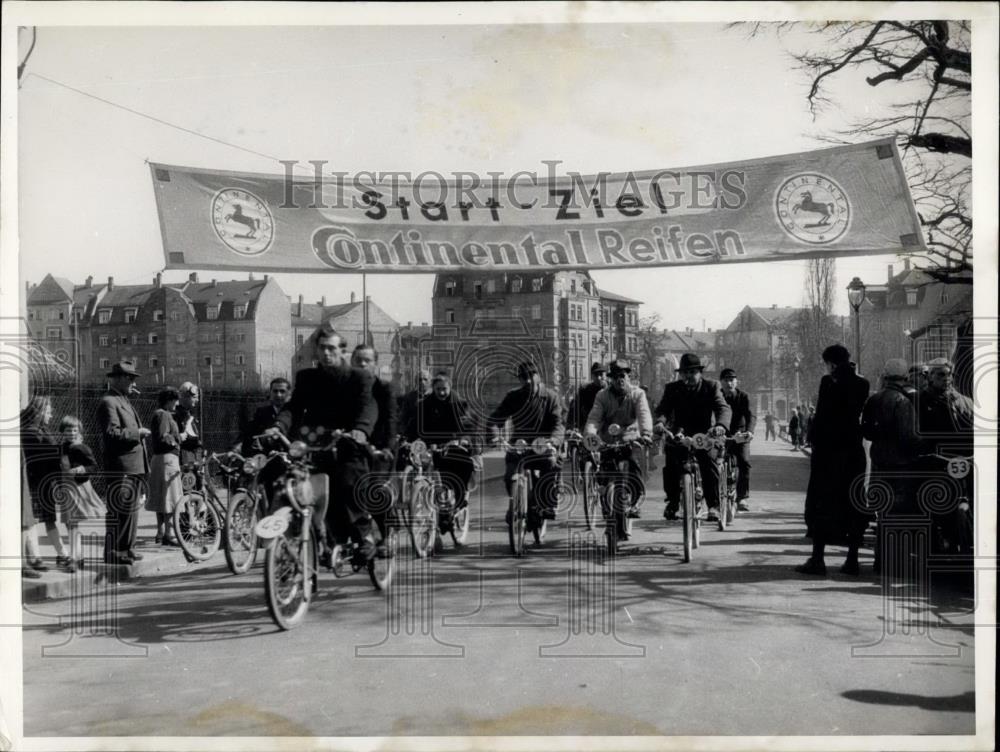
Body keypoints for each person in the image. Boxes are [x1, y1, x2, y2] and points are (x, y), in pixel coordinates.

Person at [270, 325, 378, 561]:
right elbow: (294, 407)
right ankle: (294, 551)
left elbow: (367, 407)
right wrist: (279, 426)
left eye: (331, 348)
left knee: (349, 482)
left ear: (342, 350)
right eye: (322, 348)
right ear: (316, 351)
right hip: (315, 445)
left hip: (348, 443)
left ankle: (365, 537)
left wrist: (360, 430)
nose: (326, 353)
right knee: (297, 488)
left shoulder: (358, 377)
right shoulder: (307, 377)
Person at [797, 344, 871, 577]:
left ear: (830, 362)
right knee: (854, 503)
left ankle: (818, 559)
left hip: (829, 454)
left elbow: (822, 415)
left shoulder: (828, 382)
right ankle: (852, 560)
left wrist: (813, 440)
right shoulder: (863, 383)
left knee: (821, 504)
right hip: (852, 452)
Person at [655, 353, 732, 522]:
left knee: (708, 462)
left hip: (705, 433)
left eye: (692, 372)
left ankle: (714, 506)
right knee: (671, 464)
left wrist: (720, 426)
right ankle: (673, 502)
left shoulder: (711, 386)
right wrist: (660, 422)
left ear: (700, 372)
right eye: (685, 373)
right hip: (680, 432)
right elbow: (663, 410)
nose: (688, 377)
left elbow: (722, 408)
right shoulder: (672, 388)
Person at [861, 359, 920, 573]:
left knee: (883, 513)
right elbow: (908, 436)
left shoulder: (873, 400)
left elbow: (866, 431)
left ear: (885, 377)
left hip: (879, 463)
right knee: (899, 515)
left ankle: (881, 560)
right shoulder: (903, 402)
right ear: (904, 378)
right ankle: (895, 563)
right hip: (900, 466)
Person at [488, 360, 564, 520]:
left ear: (538, 376)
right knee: (509, 475)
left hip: (542, 445)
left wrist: (553, 441)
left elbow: (558, 424)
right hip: (519, 445)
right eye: (523, 377)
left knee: (550, 462)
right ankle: (515, 503)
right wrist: (495, 436)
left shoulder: (551, 397)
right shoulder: (513, 396)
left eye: (531, 375)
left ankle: (545, 504)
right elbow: (496, 417)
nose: (528, 380)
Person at [915, 357, 975, 553]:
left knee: (966, 504)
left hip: (963, 465)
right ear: (929, 377)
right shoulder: (919, 402)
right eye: (940, 374)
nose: (946, 378)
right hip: (934, 464)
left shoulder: (965, 402)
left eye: (949, 375)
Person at [584, 360, 653, 520]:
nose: (619, 380)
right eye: (615, 377)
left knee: (634, 464)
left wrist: (647, 434)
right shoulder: (602, 395)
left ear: (629, 377)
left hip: (631, 437)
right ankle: (604, 496)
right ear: (610, 379)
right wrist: (590, 435)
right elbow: (594, 418)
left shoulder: (637, 394)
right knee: (604, 470)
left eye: (622, 376)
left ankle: (635, 500)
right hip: (608, 439)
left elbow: (644, 415)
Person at [98, 360, 151, 565]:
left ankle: (127, 548)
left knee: (130, 510)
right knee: (119, 509)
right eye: (129, 378)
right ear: (118, 379)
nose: (132, 382)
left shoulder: (123, 400)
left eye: (133, 378)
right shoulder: (108, 402)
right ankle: (113, 552)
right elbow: (112, 433)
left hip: (133, 465)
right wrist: (137, 433)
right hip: (121, 465)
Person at [352, 345, 398, 547]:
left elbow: (390, 419)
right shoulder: (347, 388)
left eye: (367, 360)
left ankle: (387, 532)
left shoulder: (383, 389)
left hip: (380, 449)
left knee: (375, 489)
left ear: (375, 364)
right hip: (354, 447)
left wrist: (387, 447)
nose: (362, 364)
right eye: (358, 359)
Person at [412, 373, 477, 512]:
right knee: (418, 463)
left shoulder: (460, 403)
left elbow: (468, 425)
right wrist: (406, 438)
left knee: (462, 464)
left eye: (444, 389)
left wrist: (463, 439)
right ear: (433, 388)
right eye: (438, 389)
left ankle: (460, 500)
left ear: (450, 387)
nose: (441, 392)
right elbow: (415, 425)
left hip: (454, 443)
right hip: (433, 445)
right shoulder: (424, 404)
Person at [20, 396, 65, 572]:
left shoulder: (42, 431)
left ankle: (41, 557)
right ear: (38, 412)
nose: (51, 415)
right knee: (30, 521)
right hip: (35, 482)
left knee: (42, 519)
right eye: (48, 411)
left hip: (44, 482)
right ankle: (34, 558)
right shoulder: (31, 433)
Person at [58, 415, 107, 571]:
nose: (71, 433)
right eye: (68, 430)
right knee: (70, 523)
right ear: (63, 432)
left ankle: (74, 558)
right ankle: (78, 557)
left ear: (79, 431)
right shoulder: (62, 447)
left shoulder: (81, 448)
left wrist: (81, 469)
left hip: (78, 487)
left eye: (74, 430)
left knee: (72, 523)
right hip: (66, 487)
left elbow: (94, 466)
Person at [145, 388, 184, 547]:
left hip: (160, 460)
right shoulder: (164, 414)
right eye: (175, 400)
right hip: (168, 459)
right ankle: (169, 533)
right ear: (168, 400)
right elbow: (163, 437)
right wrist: (178, 438)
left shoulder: (159, 414)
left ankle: (161, 533)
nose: (177, 403)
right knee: (170, 497)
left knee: (162, 497)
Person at [719, 368, 755, 511]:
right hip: (721, 434)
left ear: (736, 381)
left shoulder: (743, 396)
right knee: (712, 461)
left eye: (732, 380)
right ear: (720, 382)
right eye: (726, 380)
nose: (729, 383)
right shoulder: (717, 396)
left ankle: (742, 497)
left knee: (744, 462)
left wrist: (749, 432)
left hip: (740, 434)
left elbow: (750, 416)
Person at [237, 377, 291, 456]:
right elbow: (248, 434)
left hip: (293, 459)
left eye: (282, 391)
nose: (278, 395)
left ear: (289, 393)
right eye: (275, 391)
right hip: (267, 459)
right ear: (270, 393)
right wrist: (235, 449)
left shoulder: (296, 413)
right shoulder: (262, 412)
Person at [566, 362, 608, 432]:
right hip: (588, 424)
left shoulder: (611, 389)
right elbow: (575, 408)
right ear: (592, 376)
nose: (598, 378)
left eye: (601, 375)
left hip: (607, 426)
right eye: (595, 375)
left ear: (605, 375)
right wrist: (570, 426)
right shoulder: (585, 389)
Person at [175, 382, 203, 468]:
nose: (197, 400)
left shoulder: (189, 414)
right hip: (185, 458)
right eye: (194, 397)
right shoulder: (178, 415)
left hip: (193, 457)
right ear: (184, 397)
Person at [399, 370, 431, 439]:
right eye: (419, 379)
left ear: (430, 381)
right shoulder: (410, 397)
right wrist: (403, 433)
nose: (422, 382)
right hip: (414, 434)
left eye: (425, 379)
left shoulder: (435, 396)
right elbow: (404, 417)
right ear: (416, 382)